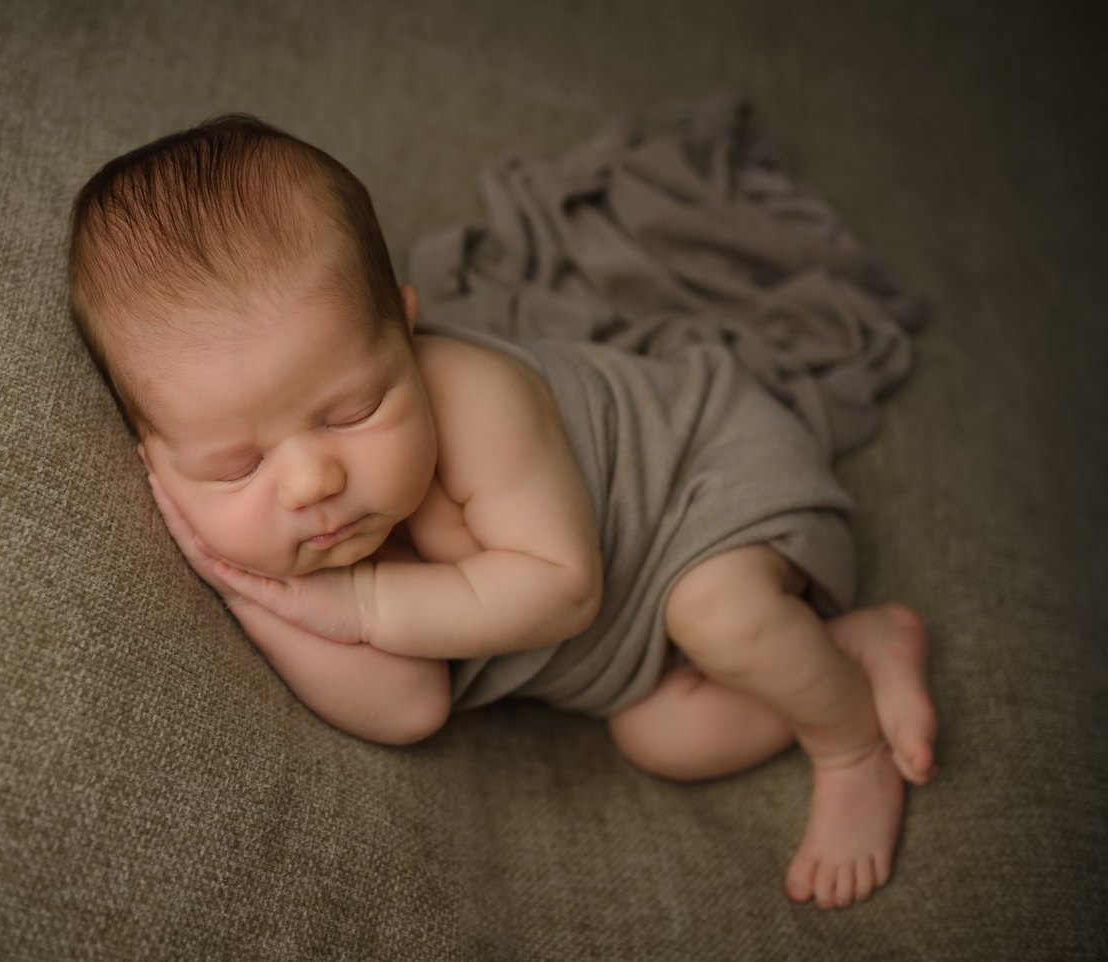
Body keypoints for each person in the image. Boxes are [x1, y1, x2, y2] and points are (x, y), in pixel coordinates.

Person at [66, 114, 938, 909]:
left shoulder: (476, 402)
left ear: (406, 333)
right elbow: (409, 708)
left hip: (703, 485)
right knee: (668, 740)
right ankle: (850, 648)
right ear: (159, 465)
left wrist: (355, 603)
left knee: (718, 614)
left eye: (352, 411)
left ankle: (852, 746)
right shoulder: (301, 536)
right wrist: (250, 588)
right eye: (235, 465)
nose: (309, 483)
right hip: (638, 651)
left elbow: (563, 591)